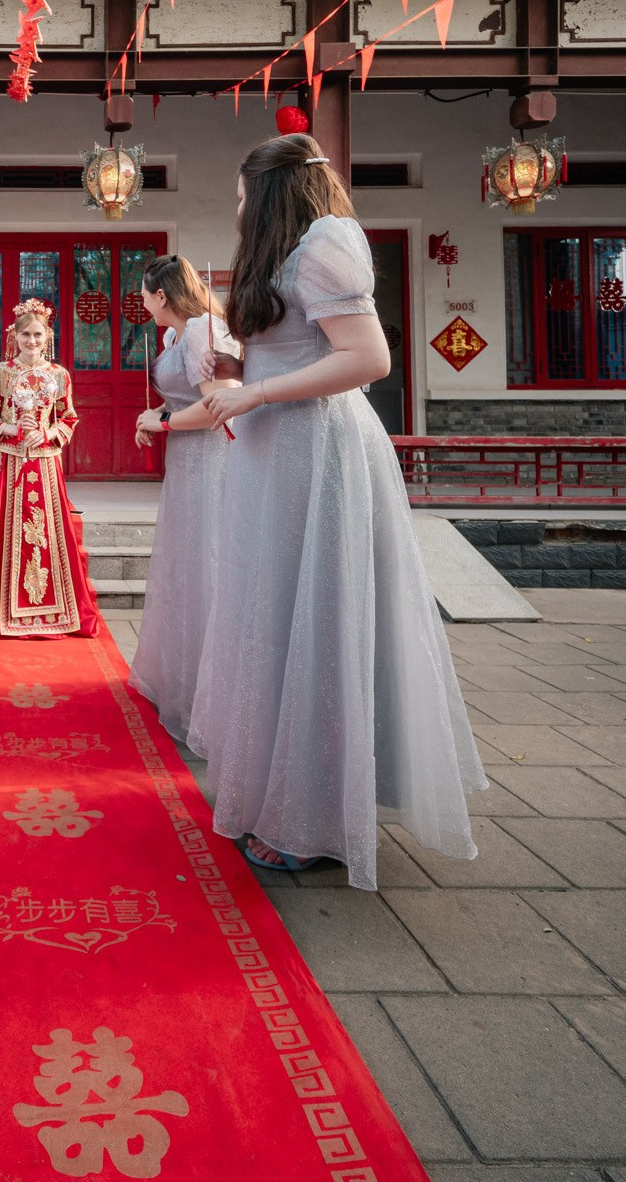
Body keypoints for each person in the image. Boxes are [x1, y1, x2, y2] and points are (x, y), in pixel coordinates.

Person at [197, 132, 487, 889]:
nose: (236, 208)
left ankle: (316, 817)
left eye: (240, 195)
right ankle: (281, 793)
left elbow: (368, 359)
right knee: (278, 623)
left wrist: (255, 390)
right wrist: (240, 366)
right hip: (278, 455)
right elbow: (301, 350)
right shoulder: (292, 255)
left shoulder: (324, 242)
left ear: (271, 194)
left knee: (317, 626)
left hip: (317, 453)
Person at [127, 254, 241, 751]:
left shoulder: (203, 331)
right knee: (184, 568)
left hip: (211, 462)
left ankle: (214, 694)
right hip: (186, 465)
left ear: (162, 296)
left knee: (210, 565)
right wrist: (158, 413)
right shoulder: (176, 335)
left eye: (145, 294)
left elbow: (222, 401)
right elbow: (183, 395)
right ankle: (182, 677)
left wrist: (167, 423)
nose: (142, 301)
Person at [0, 299, 102, 638]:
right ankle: (5, 612)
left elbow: (69, 417)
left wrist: (47, 432)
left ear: (48, 337)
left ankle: (52, 611)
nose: (32, 341)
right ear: (15, 335)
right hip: (10, 461)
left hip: (44, 463)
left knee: (46, 534)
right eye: (26, 334)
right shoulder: (1, 372)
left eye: (38, 335)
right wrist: (11, 428)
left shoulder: (59, 375)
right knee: (9, 533)